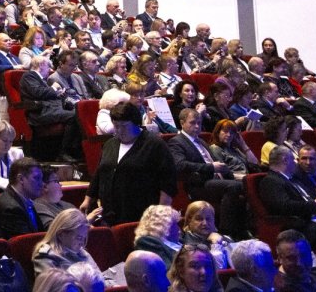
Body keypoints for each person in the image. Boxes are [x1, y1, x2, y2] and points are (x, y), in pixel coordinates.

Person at [83, 102, 176, 225]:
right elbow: (100, 173)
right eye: (116, 126)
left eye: (124, 126)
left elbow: (168, 181)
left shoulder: (155, 144)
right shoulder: (110, 144)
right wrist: (88, 199)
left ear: (136, 123)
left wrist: (161, 212)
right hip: (110, 213)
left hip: (141, 214)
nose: (119, 130)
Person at [168, 109, 247, 238]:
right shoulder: (176, 142)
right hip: (198, 184)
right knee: (234, 186)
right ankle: (226, 232)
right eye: (193, 123)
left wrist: (228, 172)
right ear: (182, 123)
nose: (197, 126)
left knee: (246, 184)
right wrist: (210, 167)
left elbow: (215, 163)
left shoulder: (201, 141)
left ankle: (243, 229)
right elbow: (180, 165)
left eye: (199, 123)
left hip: (214, 180)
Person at [257, 146, 316, 239]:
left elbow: (303, 199)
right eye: (293, 159)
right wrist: (315, 204)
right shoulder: (271, 180)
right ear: (285, 160)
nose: (295, 162)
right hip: (295, 227)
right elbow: (284, 206)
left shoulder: (288, 179)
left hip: (309, 221)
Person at [0, 157, 50, 237]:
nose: (42, 184)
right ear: (21, 179)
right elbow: (27, 242)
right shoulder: (10, 209)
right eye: (37, 178)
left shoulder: (24, 200)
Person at [33, 209, 98, 275]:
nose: (82, 243)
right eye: (79, 238)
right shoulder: (46, 256)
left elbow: (99, 277)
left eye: (84, 238)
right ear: (61, 234)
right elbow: (49, 281)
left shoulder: (82, 252)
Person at [181, 201, 234, 271]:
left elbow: (239, 266)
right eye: (199, 219)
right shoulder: (183, 244)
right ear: (189, 221)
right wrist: (216, 244)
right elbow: (214, 271)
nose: (205, 223)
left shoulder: (226, 239)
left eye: (208, 219)